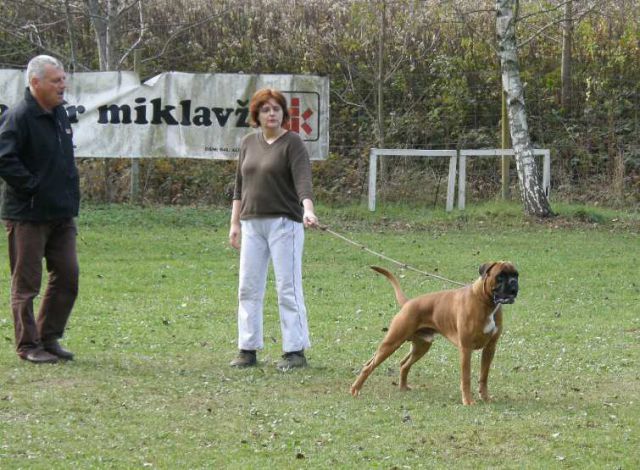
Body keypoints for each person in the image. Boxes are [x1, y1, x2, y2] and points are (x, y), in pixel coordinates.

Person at [229, 88, 319, 371]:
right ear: (256, 114)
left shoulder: (293, 143)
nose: (271, 113)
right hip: (251, 223)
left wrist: (308, 209)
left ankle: (295, 351)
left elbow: (303, 180)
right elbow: (238, 186)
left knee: (287, 288)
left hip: (285, 224)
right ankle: (248, 348)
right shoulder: (248, 142)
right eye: (266, 109)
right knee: (248, 287)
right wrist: (234, 223)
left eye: (276, 109)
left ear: (283, 113)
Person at [0, 55, 80, 364]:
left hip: (61, 213)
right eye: (56, 81)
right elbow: (4, 157)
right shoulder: (18, 116)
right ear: (35, 83)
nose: (63, 85)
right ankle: (27, 344)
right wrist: (31, 186)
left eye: (63, 79)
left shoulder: (60, 114)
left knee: (68, 276)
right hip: (28, 216)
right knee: (27, 284)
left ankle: (49, 337)